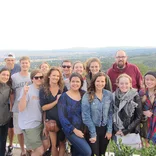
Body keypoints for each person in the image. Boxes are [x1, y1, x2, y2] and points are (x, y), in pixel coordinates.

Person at [58, 73, 92, 156]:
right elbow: (62, 117)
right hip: (71, 130)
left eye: (77, 81)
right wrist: (74, 130)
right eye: (73, 81)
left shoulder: (84, 94)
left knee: (77, 152)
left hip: (84, 129)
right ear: (70, 82)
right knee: (87, 152)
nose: (75, 83)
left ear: (81, 83)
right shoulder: (64, 97)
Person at [81, 72, 113, 156]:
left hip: (105, 129)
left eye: (102, 81)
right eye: (98, 81)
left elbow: (110, 113)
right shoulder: (87, 95)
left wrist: (109, 130)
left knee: (102, 153)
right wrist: (93, 133)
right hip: (92, 129)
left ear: (105, 82)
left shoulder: (108, 94)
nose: (100, 83)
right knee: (94, 153)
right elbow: (85, 116)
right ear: (94, 82)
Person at [39, 67, 67, 156]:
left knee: (62, 144)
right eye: (54, 75)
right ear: (49, 76)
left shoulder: (63, 88)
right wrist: (56, 101)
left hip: (63, 120)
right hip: (51, 121)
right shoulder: (43, 89)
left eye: (58, 76)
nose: (56, 77)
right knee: (54, 145)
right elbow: (43, 108)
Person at [18, 69, 46, 156]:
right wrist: (24, 94)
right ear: (32, 79)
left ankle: (29, 152)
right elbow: (21, 108)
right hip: (30, 124)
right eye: (36, 77)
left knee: (46, 145)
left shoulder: (44, 90)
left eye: (41, 77)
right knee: (40, 151)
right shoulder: (27, 89)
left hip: (41, 123)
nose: (39, 79)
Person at [113, 74, 142, 145]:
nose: (124, 85)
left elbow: (138, 117)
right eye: (121, 83)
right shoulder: (113, 96)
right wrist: (116, 129)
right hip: (117, 131)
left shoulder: (135, 96)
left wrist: (126, 130)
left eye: (126, 83)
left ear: (130, 84)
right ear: (118, 84)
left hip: (130, 132)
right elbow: (111, 114)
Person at [11, 56, 32, 156]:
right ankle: (22, 150)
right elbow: (11, 93)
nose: (24, 65)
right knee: (19, 131)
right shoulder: (14, 77)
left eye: (26, 63)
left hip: (29, 108)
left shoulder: (32, 76)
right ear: (20, 64)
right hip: (17, 108)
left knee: (28, 130)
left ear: (29, 64)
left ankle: (29, 149)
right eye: (23, 63)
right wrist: (11, 107)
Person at [3, 53, 21, 156]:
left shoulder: (18, 68)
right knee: (6, 126)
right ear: (5, 60)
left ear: (14, 60)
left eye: (12, 60)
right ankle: (7, 145)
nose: (10, 62)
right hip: (4, 103)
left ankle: (11, 145)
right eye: (8, 60)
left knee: (15, 127)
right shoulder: (2, 69)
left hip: (16, 104)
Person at [139, 71, 156, 145]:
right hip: (146, 124)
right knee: (147, 147)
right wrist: (144, 112)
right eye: (147, 79)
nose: (149, 82)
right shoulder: (141, 93)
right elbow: (137, 108)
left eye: (152, 80)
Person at [0, 68, 12, 156]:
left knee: (3, 141)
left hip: (4, 119)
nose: (5, 77)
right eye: (3, 74)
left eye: (7, 75)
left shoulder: (8, 88)